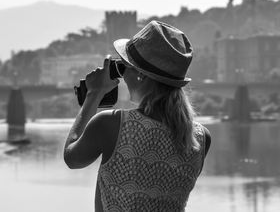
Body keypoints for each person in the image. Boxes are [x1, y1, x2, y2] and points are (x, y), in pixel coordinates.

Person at [64, 20, 211, 212]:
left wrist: (94, 94)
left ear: (141, 75)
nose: (123, 76)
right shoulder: (200, 138)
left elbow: (72, 158)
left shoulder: (111, 124)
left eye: (125, 67)